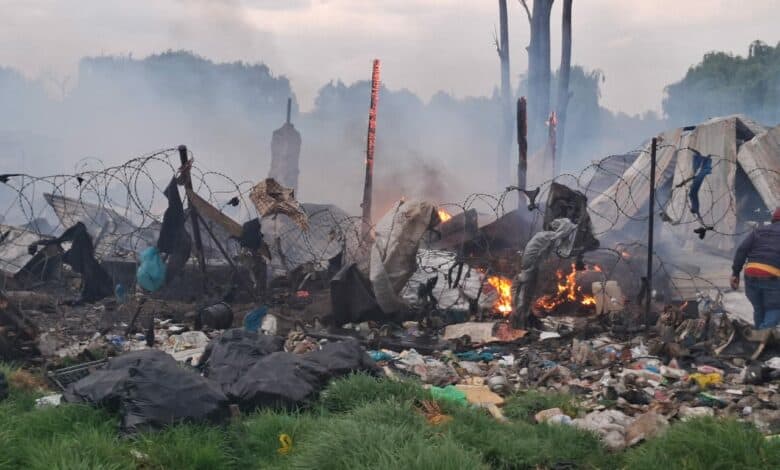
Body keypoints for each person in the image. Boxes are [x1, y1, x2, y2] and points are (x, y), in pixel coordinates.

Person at [731, 208, 780, 330]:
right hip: (771, 276)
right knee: (774, 308)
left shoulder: (758, 231)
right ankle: (762, 338)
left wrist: (735, 273)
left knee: (759, 309)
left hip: (751, 273)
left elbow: (742, 250)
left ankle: (759, 339)